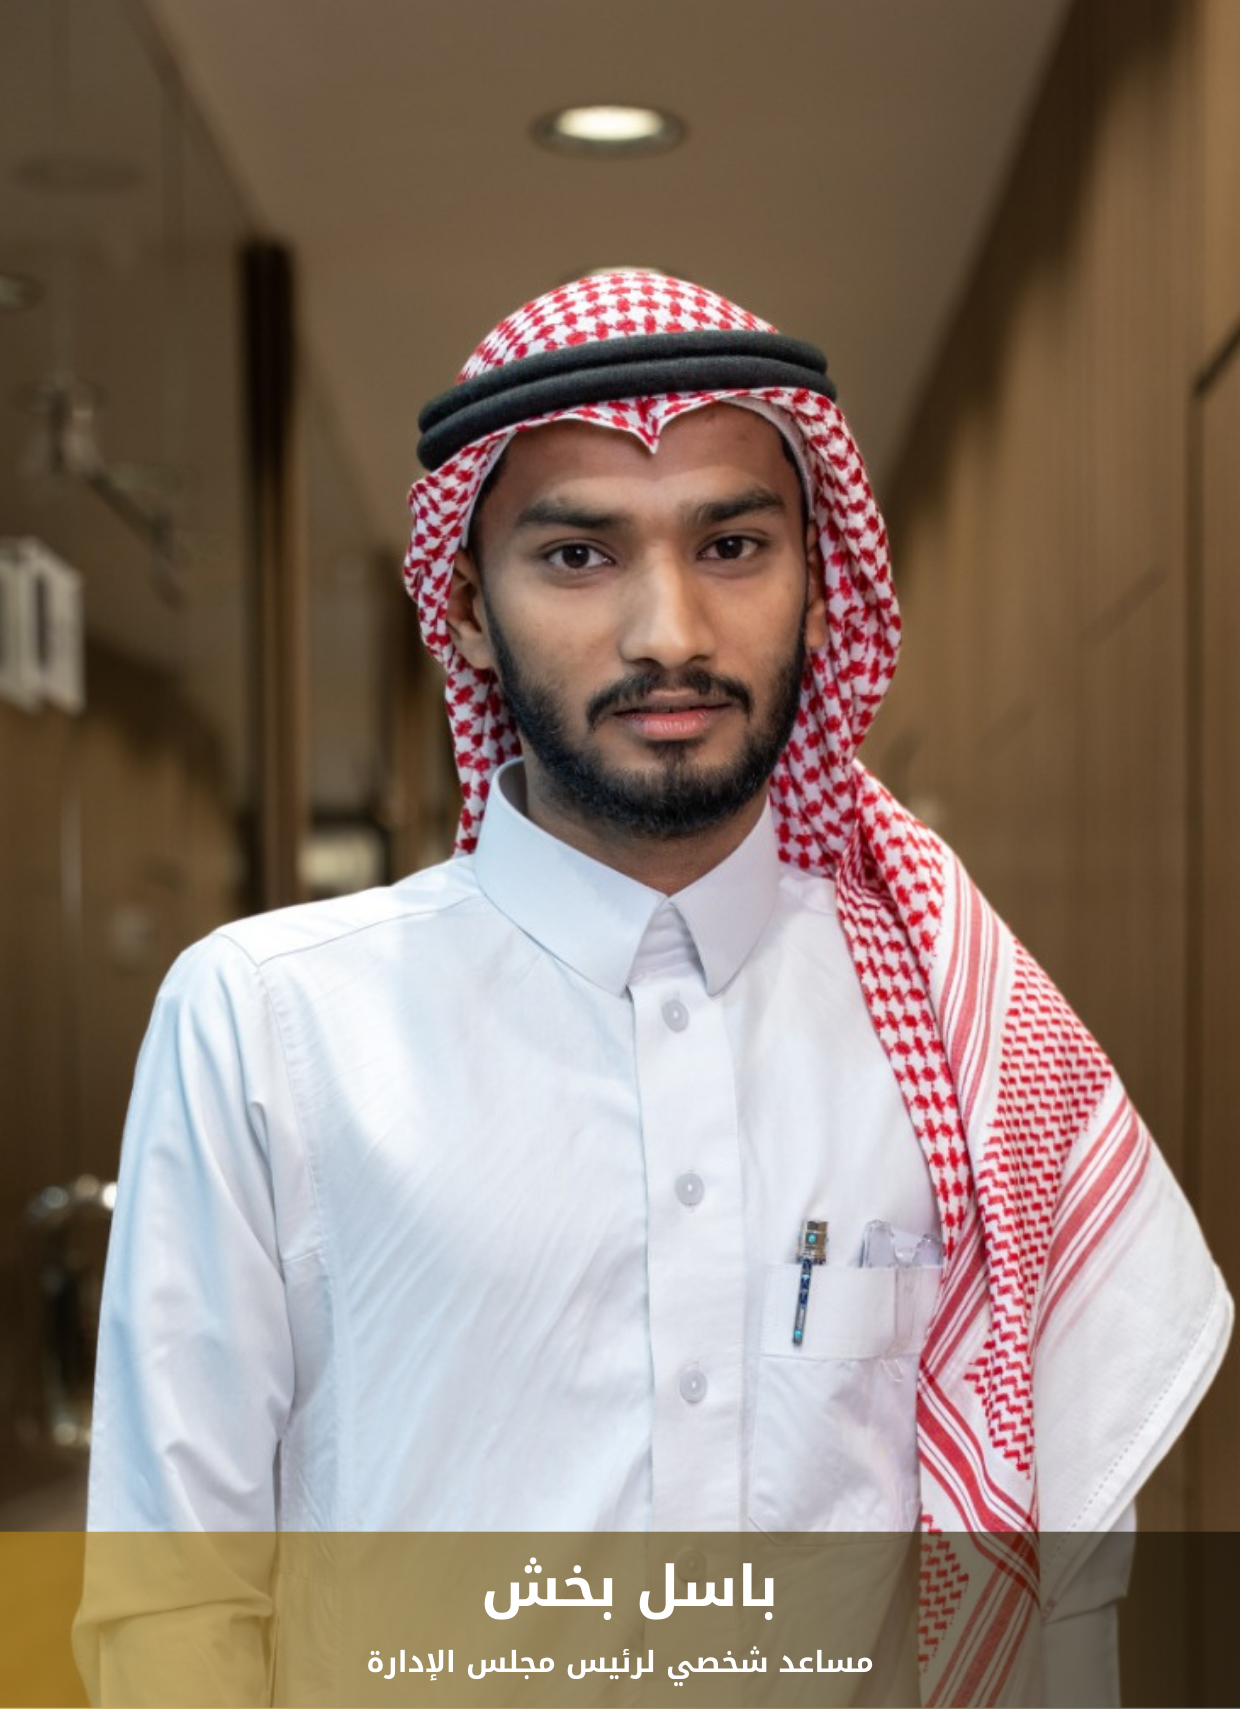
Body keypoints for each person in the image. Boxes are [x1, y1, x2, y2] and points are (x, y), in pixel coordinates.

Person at [77, 273, 1231, 1705]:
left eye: (733, 545)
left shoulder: (956, 1028)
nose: (669, 632)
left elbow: (1064, 1571)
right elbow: (174, 1607)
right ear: (469, 611)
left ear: (822, 587)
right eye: (578, 555)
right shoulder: (269, 1021)